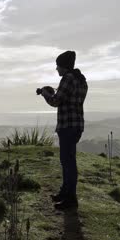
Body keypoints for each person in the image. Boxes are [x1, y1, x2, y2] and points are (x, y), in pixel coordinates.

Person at [38, 50, 88, 210]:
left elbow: (56, 102)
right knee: (68, 161)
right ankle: (65, 193)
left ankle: (70, 200)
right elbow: (69, 99)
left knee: (68, 163)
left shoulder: (68, 79)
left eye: (57, 66)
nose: (56, 69)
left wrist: (46, 94)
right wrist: (54, 91)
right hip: (76, 125)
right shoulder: (81, 80)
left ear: (63, 66)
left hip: (67, 126)